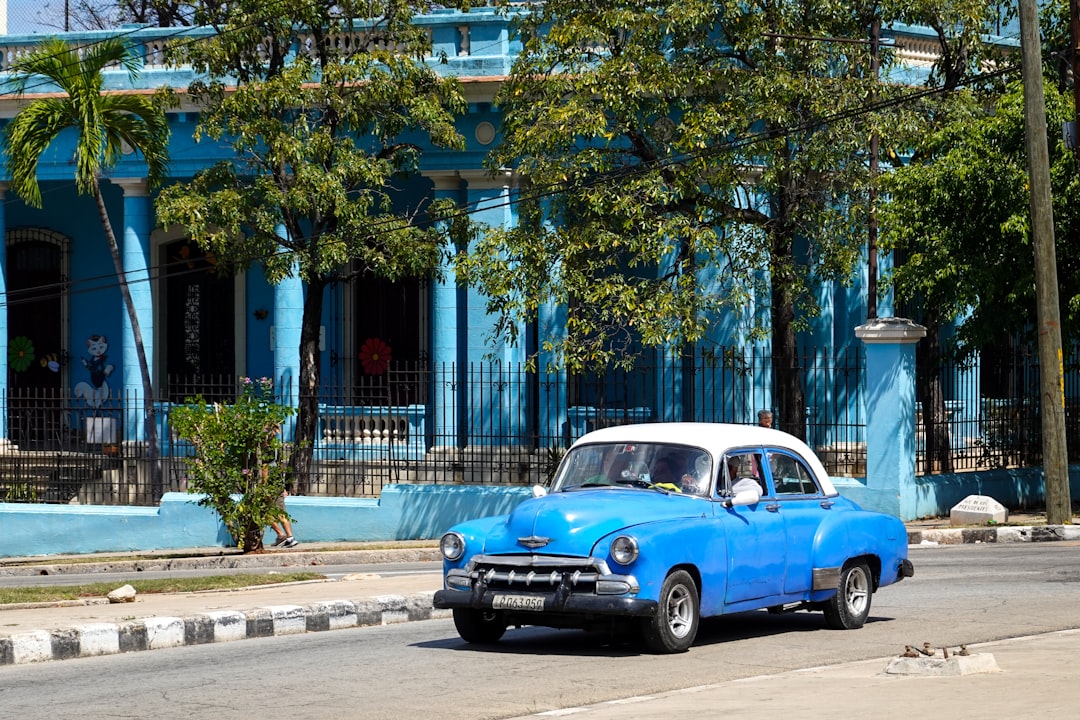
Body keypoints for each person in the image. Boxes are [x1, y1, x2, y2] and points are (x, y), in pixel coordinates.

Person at [269, 481, 298, 548]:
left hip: (271, 489)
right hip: (276, 488)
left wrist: (263, 486)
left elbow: (265, 471)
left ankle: (285, 537)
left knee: (270, 514)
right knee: (270, 514)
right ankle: (286, 537)